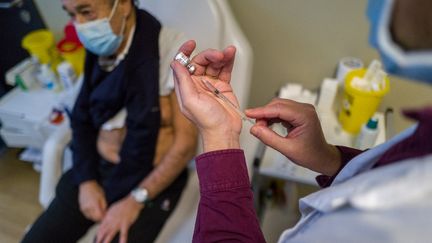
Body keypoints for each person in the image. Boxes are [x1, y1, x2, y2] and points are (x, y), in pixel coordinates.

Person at [170, 0, 432, 242]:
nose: (372, 7)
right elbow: (386, 175)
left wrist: (220, 135)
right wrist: (330, 158)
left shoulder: (406, 219)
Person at [22, 0, 197, 242]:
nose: (79, 26)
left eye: (86, 12)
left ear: (123, 4)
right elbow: (81, 118)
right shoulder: (98, 52)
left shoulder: (171, 52)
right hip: (98, 167)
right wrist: (86, 181)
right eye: (72, 15)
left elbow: (185, 145)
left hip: (151, 179)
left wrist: (136, 199)